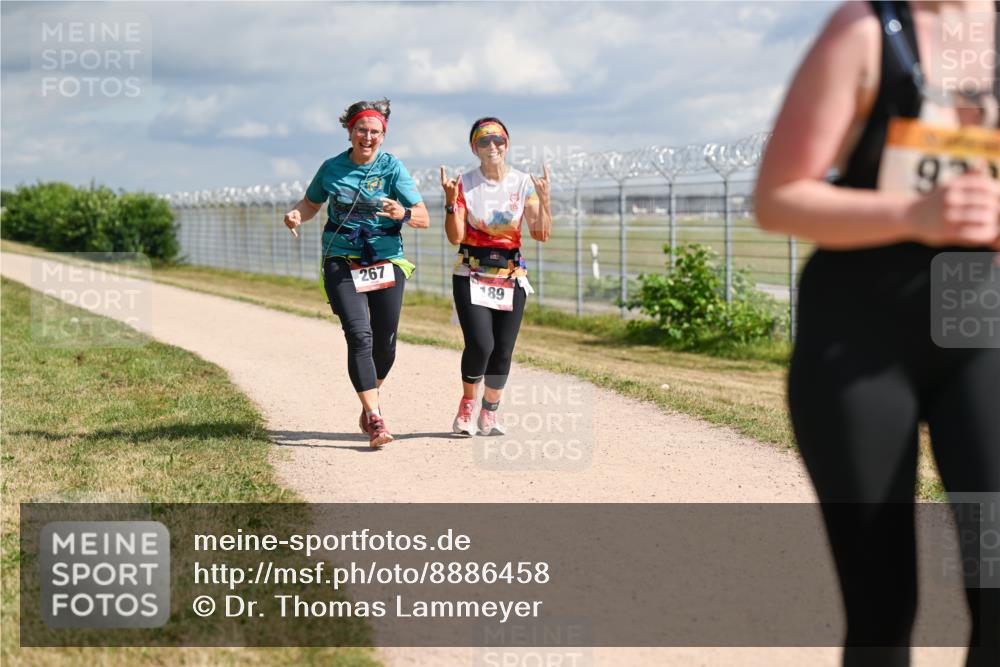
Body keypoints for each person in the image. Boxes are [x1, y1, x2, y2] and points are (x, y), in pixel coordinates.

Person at [755, 2, 999, 666]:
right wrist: (915, 214)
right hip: (860, 340)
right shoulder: (866, 30)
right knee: (883, 611)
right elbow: (777, 195)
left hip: (981, 331)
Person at [284, 98, 429, 449]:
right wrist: (296, 215)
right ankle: (376, 418)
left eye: (375, 131)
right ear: (349, 131)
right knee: (359, 335)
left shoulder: (393, 169)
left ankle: (369, 402)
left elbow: (423, 217)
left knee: (386, 344)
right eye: (361, 129)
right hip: (342, 260)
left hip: (385, 262)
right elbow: (312, 203)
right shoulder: (331, 168)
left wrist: (402, 214)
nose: (368, 137)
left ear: (384, 135)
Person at [440, 117, 551, 436]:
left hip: (510, 275)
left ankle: (490, 412)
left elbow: (541, 233)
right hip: (470, 273)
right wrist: (450, 203)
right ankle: (466, 405)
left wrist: (545, 201)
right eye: (484, 141)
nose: (492, 147)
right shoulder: (463, 183)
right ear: (474, 147)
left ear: (507, 143)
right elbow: (455, 235)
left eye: (498, 140)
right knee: (481, 345)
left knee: (503, 349)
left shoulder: (522, 183)